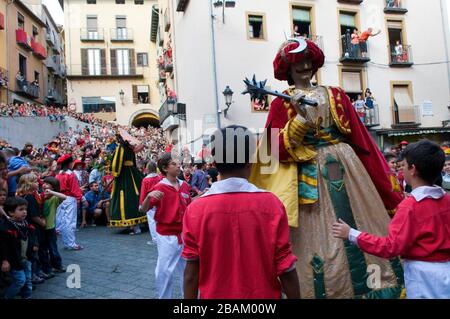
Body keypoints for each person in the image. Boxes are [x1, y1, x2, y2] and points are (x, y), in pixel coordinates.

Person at [249, 38, 404, 298]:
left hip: (348, 169)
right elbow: (271, 152)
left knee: (361, 221)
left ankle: (376, 283)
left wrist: (387, 189)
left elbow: (363, 142)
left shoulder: (336, 95)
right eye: (298, 62)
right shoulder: (280, 103)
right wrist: (299, 119)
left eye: (309, 60)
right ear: (288, 68)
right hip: (306, 180)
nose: (305, 65)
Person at [183, 126, 300, 299]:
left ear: (213, 162)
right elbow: (286, 268)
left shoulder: (195, 210)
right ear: (251, 160)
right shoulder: (272, 205)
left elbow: (191, 274)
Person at [333, 140, 450, 299]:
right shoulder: (446, 199)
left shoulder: (410, 206)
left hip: (423, 277)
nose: (401, 169)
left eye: (404, 165)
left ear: (413, 169)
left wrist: (351, 234)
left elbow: (391, 247)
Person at [147, 153, 191, 299]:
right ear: (165, 168)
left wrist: (202, 197)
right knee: (165, 271)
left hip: (184, 234)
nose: (178, 165)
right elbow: (143, 208)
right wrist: (148, 197)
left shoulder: (184, 185)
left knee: (187, 271)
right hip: (167, 236)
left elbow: (189, 204)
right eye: (174, 164)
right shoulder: (159, 187)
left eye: (178, 163)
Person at [0, 197, 37, 299]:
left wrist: (35, 244)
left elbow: (33, 235)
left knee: (28, 280)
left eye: (25, 209)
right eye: (21, 210)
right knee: (20, 280)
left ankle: (27, 297)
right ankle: (7, 296)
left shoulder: (26, 224)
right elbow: (3, 246)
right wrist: (4, 260)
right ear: (11, 213)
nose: (24, 212)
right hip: (14, 260)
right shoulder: (6, 228)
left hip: (27, 258)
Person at [109, 132, 146, 234]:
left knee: (126, 197)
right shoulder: (130, 149)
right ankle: (136, 224)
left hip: (124, 175)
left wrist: (115, 173)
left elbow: (116, 163)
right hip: (132, 173)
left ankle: (132, 225)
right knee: (134, 196)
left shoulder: (120, 148)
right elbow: (133, 163)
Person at [55, 154, 83, 250]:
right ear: (69, 163)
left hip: (60, 199)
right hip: (70, 199)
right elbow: (75, 189)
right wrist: (81, 198)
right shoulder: (71, 175)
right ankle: (71, 243)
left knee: (62, 221)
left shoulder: (58, 175)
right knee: (70, 222)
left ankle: (67, 243)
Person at [41, 177, 65, 274]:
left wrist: (51, 192)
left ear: (53, 187)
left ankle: (57, 265)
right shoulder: (40, 196)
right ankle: (47, 266)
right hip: (41, 226)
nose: (44, 185)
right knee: (44, 248)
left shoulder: (55, 198)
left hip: (50, 226)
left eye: (47, 184)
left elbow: (64, 197)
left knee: (53, 248)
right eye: (44, 183)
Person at [139, 161, 163, 244]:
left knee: (152, 221)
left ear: (147, 169)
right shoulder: (159, 177)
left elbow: (143, 193)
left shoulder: (146, 180)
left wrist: (142, 204)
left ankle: (155, 239)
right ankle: (160, 237)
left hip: (150, 202)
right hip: (159, 200)